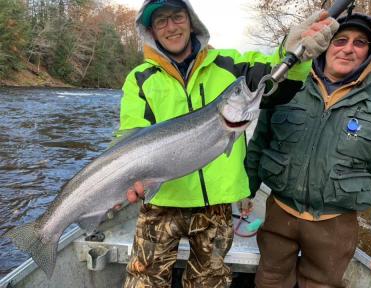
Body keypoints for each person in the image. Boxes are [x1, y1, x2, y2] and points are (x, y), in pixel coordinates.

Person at [117, 0, 338, 287]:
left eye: (177, 16)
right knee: (142, 281)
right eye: (161, 21)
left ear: (191, 20)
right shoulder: (139, 79)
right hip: (161, 201)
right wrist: (129, 180)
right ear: (151, 32)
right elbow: (131, 136)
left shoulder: (231, 64)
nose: (171, 27)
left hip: (217, 205)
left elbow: (275, 76)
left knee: (210, 282)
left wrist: (295, 52)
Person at [246, 12, 371, 287]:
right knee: (269, 280)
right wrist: (245, 192)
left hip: (335, 225)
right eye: (340, 40)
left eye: (359, 43)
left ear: (369, 53)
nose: (347, 48)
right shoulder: (288, 87)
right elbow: (258, 145)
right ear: (325, 45)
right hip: (280, 214)